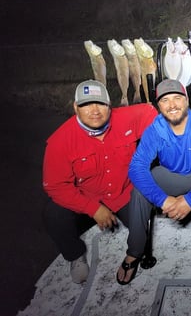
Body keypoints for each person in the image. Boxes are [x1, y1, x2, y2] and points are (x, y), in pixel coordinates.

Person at [42, 79, 158, 284]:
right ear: (75, 107)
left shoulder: (125, 118)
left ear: (109, 106)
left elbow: (151, 113)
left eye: (101, 104)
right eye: (87, 104)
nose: (95, 110)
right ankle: (75, 255)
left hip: (123, 192)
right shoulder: (60, 140)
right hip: (85, 198)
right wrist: (93, 208)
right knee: (54, 213)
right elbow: (55, 186)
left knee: (143, 232)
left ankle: (134, 251)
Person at [118, 79, 191, 285]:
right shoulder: (155, 130)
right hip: (170, 175)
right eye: (165, 100)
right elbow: (137, 166)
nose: (172, 105)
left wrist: (190, 200)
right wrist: (164, 200)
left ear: (186, 101)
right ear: (158, 106)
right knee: (140, 189)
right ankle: (135, 250)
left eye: (177, 98)